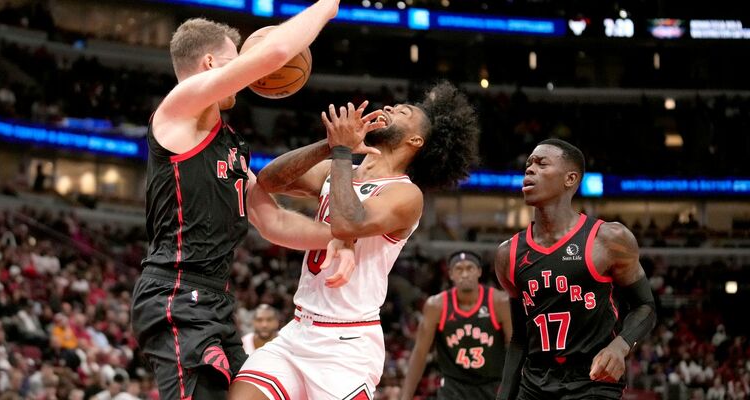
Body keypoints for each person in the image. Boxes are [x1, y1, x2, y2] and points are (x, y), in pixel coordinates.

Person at [130, 3, 342, 399]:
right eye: (235, 61)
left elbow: (273, 222)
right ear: (211, 63)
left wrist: (340, 237)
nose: (245, 72)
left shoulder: (232, 145)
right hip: (177, 294)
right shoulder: (179, 107)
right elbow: (277, 54)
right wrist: (324, 8)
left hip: (215, 300)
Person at [229, 82, 479, 400]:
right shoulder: (339, 170)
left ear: (416, 140)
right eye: (392, 106)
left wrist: (343, 152)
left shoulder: (405, 193)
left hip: (347, 344)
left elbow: (347, 222)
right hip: (297, 330)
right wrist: (331, 145)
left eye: (402, 112)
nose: (388, 109)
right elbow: (270, 180)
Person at [493, 139, 657, 400]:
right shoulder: (507, 254)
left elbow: (646, 306)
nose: (529, 169)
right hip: (534, 382)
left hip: (592, 379)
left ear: (570, 178)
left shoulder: (609, 239)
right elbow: (520, 339)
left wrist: (621, 345)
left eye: (541, 163)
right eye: (528, 164)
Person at [400, 251, 511, 400]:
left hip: (492, 385)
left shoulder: (499, 302)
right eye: (459, 269)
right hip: (453, 388)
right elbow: (420, 353)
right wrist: (405, 397)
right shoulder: (436, 306)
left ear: (479, 271)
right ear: (451, 274)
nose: (464, 274)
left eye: (470, 268)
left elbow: (515, 349)